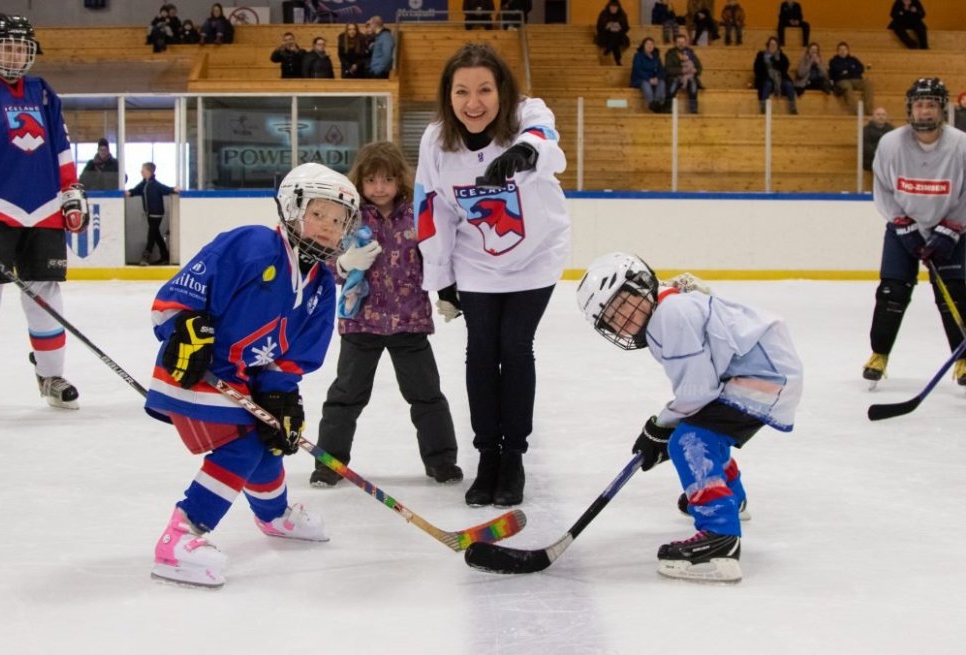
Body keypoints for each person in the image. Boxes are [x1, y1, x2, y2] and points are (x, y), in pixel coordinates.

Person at [145, 162, 360, 588]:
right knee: (243, 445)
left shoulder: (320, 286)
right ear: (292, 208)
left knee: (267, 443)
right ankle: (180, 536)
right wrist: (185, 329)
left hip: (245, 383)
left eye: (338, 221)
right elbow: (173, 302)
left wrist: (281, 398)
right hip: (198, 372)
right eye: (318, 214)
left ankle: (273, 516)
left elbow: (294, 357)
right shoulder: (251, 245)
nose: (327, 228)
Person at [576, 254, 802, 582]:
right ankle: (730, 498)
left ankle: (719, 537)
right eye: (611, 318)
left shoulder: (670, 314)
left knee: (689, 440)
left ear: (641, 286)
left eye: (623, 303)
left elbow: (697, 391)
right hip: (763, 369)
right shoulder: (665, 306)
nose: (622, 319)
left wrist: (660, 427)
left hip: (763, 376)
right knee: (700, 431)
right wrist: (664, 426)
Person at [415, 43, 570, 507]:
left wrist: (524, 153)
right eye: (462, 91)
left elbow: (547, 142)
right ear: (449, 95)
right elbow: (432, 208)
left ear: (502, 90)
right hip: (476, 261)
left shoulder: (527, 115)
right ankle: (487, 456)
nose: (474, 102)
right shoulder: (436, 140)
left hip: (537, 253)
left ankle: (514, 456)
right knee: (482, 349)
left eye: (484, 89)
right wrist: (440, 274)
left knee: (515, 345)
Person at [311, 142, 462, 488]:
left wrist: (447, 292)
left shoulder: (417, 215)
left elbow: (437, 258)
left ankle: (441, 461)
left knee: (426, 395)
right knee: (345, 396)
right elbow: (325, 263)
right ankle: (329, 463)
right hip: (360, 323)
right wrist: (344, 264)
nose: (380, 187)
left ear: (401, 180)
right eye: (372, 180)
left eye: (388, 179)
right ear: (359, 181)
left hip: (409, 323)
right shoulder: (347, 216)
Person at [0, 12, 90, 415]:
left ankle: (51, 375)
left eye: (21, 46)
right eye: (6, 45)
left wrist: (71, 191)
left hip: (44, 210)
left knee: (46, 294)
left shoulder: (42, 91)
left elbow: (61, 146)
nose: (14, 53)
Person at [864, 78, 966, 387]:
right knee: (891, 292)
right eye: (920, 105)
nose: (925, 111)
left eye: (931, 104)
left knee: (956, 296)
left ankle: (963, 359)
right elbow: (881, 186)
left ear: (941, 109)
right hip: (903, 227)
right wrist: (901, 222)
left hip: (952, 229)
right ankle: (879, 355)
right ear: (911, 108)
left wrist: (951, 228)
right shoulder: (891, 143)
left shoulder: (961, 144)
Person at [126, 162, 178, 266]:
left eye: (143, 170)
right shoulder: (145, 184)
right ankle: (165, 256)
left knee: (152, 235)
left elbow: (165, 189)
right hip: (150, 214)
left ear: (149, 171)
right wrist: (130, 192)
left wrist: (173, 189)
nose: (141, 172)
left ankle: (146, 256)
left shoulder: (154, 184)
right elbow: (137, 190)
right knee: (156, 234)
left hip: (156, 213)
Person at [753, 36, 797, 114]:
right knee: (768, 84)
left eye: (775, 45)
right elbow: (757, 70)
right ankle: (763, 106)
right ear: (768, 45)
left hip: (779, 79)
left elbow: (784, 69)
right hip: (766, 78)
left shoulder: (782, 56)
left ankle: (792, 107)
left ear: (777, 46)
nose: (773, 47)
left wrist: (774, 60)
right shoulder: (761, 55)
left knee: (789, 84)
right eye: (771, 45)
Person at [829, 42, 874, 115]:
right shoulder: (833, 61)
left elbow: (861, 69)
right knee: (847, 86)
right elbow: (836, 71)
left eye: (844, 49)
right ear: (837, 51)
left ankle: (869, 111)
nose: (843, 51)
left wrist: (846, 71)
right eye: (840, 49)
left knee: (868, 83)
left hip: (855, 80)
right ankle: (855, 112)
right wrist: (851, 69)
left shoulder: (853, 59)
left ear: (848, 50)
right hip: (841, 81)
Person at [664, 33, 702, 114]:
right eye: (679, 42)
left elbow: (699, 68)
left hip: (689, 78)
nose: (681, 44)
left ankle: (693, 109)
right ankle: (668, 107)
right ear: (675, 43)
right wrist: (682, 70)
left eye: (682, 42)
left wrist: (694, 70)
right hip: (675, 77)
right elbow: (668, 69)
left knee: (693, 85)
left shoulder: (691, 53)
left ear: (686, 43)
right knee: (673, 85)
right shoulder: (670, 54)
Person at [630, 37, 667, 113]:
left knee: (662, 82)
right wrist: (649, 79)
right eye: (647, 44)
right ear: (643, 45)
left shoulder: (656, 57)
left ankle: (657, 104)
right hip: (640, 79)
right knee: (646, 84)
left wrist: (657, 78)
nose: (649, 46)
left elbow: (661, 70)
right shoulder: (638, 56)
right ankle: (652, 105)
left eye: (651, 44)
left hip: (654, 79)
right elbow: (637, 70)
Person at [595, 0, 630, 67]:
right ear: (609, 7)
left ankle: (606, 51)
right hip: (606, 35)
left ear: (618, 8)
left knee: (615, 35)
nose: (613, 9)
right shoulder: (604, 13)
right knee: (614, 39)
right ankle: (618, 60)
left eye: (615, 7)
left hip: (619, 35)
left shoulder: (622, 14)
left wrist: (620, 27)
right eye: (612, 7)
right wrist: (607, 26)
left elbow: (626, 28)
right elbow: (599, 27)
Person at [862, 107, 895, 172]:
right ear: (873, 116)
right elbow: (866, 149)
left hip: (888, 162)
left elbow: (894, 147)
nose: (881, 117)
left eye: (883, 115)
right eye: (878, 114)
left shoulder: (891, 130)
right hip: (871, 162)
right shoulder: (866, 130)